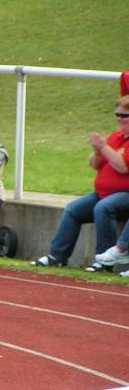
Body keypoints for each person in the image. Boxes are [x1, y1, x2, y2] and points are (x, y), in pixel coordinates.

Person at [31, 96, 129, 271]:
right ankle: (57, 256)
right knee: (73, 209)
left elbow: (122, 167)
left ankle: (103, 261)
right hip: (103, 193)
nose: (119, 119)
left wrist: (104, 148)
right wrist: (97, 151)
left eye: (124, 115)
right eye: (117, 115)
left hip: (125, 194)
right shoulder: (116, 137)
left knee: (103, 208)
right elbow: (94, 165)